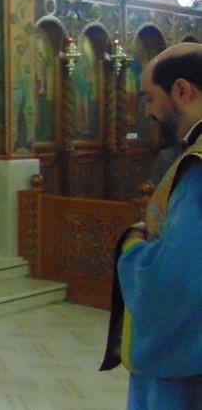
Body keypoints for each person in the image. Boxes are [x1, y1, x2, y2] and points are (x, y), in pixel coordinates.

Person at [101, 43, 202, 409]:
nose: (147, 111)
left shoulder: (197, 170)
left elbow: (172, 281)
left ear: (182, 90)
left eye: (148, 97)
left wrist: (132, 245)